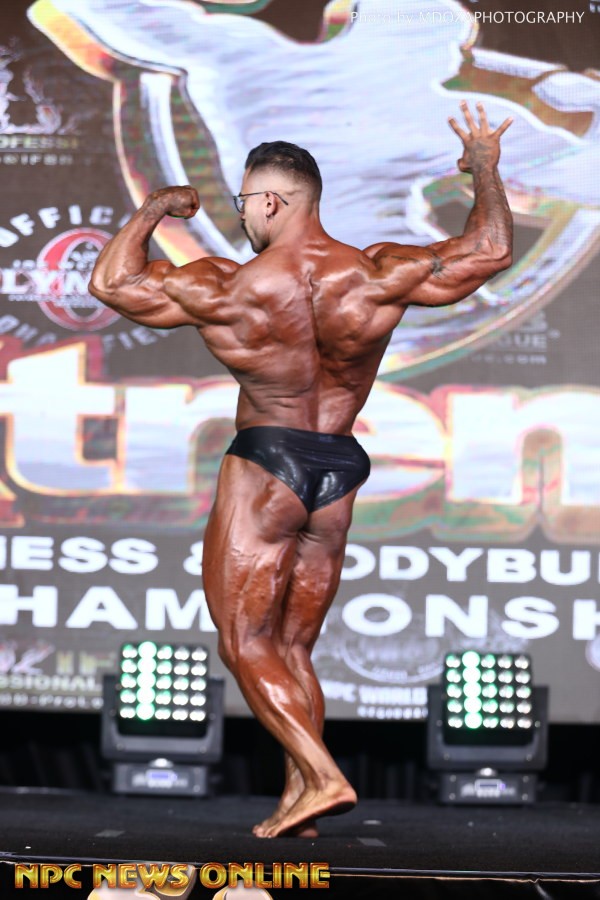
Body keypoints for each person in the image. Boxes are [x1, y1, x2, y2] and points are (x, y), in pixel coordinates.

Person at [89, 101, 513, 838]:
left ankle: (321, 776)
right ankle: (300, 804)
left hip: (268, 461)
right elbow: (490, 249)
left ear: (272, 202)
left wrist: (155, 208)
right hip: (338, 469)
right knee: (291, 648)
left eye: (244, 203)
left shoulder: (230, 285)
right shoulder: (379, 273)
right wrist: (484, 168)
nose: (242, 216)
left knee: (245, 642)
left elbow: (114, 285)